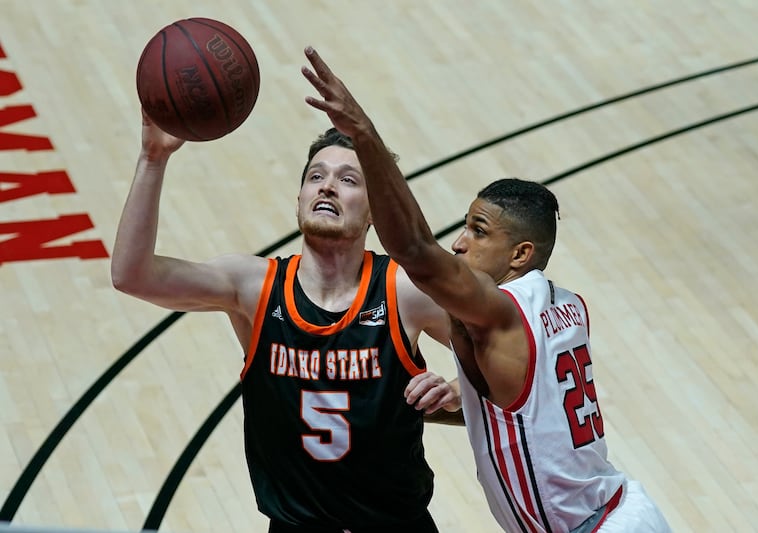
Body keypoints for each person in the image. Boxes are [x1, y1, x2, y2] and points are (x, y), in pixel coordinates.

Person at [301, 46, 672, 532]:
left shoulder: (500, 313)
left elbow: (414, 250)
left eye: (478, 230)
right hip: (618, 511)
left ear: (520, 254)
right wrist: (460, 397)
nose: (459, 243)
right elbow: (530, 415)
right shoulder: (565, 306)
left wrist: (364, 136)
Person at [110, 107, 462, 530]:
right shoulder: (254, 287)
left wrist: (460, 387)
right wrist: (153, 158)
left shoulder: (404, 291)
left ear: (375, 211)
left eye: (348, 180)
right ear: (298, 198)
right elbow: (132, 275)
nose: (327, 187)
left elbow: (501, 350)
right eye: (316, 176)